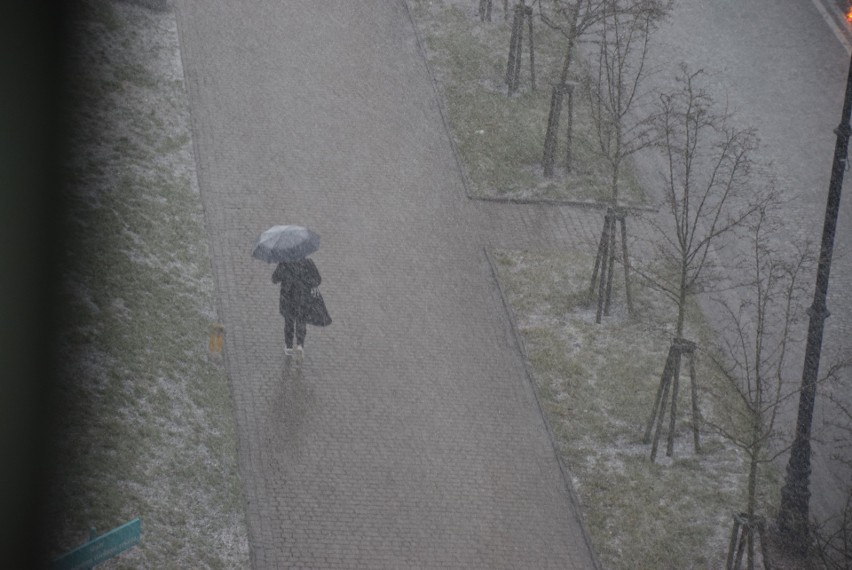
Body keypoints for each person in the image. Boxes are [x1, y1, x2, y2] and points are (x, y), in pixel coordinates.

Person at [272, 257, 322, 359]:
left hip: (288, 297)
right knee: (301, 320)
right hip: (302, 297)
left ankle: (289, 346)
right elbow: (317, 279)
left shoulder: (285, 262)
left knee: (289, 321)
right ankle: (300, 344)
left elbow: (275, 278)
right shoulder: (308, 262)